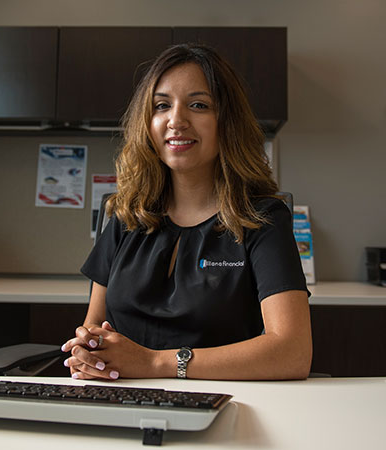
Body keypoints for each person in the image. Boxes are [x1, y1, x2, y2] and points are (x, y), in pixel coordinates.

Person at [60, 43, 312, 381]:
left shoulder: (262, 219)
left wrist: (156, 363)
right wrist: (87, 353)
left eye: (198, 105)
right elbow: (94, 328)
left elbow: (292, 352)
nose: (176, 120)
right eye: (161, 105)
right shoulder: (126, 215)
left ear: (227, 122)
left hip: (229, 402)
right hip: (120, 400)